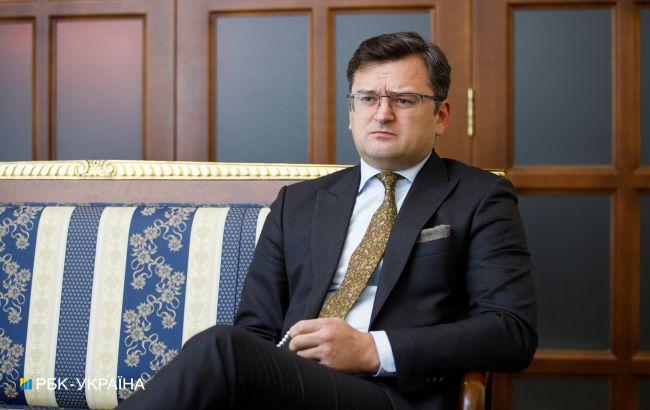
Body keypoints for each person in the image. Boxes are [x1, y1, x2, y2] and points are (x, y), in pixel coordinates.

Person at [117, 31, 537, 410]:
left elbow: (510, 331)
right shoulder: (297, 203)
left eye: (403, 100)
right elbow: (257, 330)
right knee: (229, 354)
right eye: (367, 99)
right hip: (289, 385)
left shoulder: (480, 197)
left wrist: (371, 350)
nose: (382, 114)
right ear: (351, 113)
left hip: (393, 394)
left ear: (441, 115)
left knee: (220, 349)